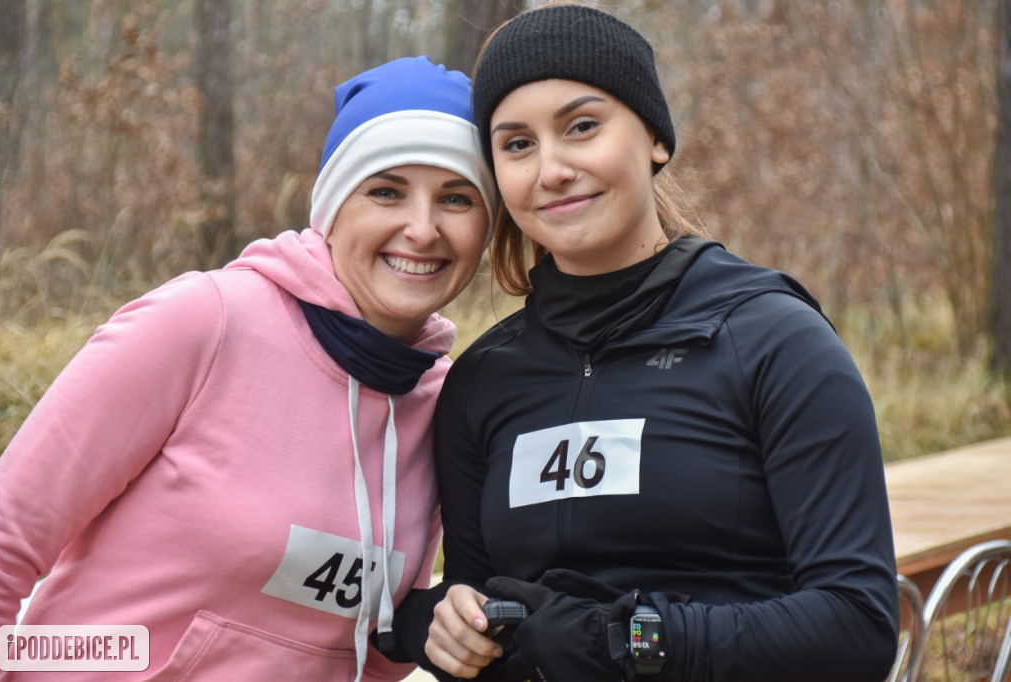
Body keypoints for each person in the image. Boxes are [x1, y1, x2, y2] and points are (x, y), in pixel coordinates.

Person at [378, 5, 900, 682]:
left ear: (654, 136)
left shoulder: (773, 340)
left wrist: (630, 640)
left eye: (582, 127)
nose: (552, 168)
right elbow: (481, 600)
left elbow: (857, 627)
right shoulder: (482, 380)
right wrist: (447, 624)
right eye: (516, 144)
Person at [0, 55, 497, 681]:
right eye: (386, 190)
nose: (422, 229)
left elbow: (373, 650)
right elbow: (1, 541)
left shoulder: (446, 404)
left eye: (456, 198)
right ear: (333, 207)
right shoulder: (205, 321)